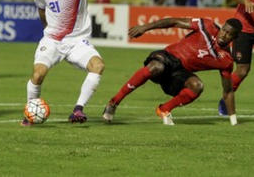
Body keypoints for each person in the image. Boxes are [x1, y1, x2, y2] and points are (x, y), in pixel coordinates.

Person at [102, 17, 242, 126]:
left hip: (179, 74)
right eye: (224, 30)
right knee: (156, 67)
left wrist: (233, 120)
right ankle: (114, 102)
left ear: (234, 38)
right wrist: (145, 27)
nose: (224, 35)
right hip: (168, 57)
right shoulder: (207, 26)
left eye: (229, 34)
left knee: (197, 86)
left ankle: (164, 109)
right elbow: (174, 22)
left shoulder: (226, 60)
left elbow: (228, 91)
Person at [22, 0, 111, 125]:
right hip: (53, 40)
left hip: (77, 41)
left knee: (98, 66)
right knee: (38, 75)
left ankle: (78, 109)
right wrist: (47, 29)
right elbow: (41, 9)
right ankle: (29, 114)